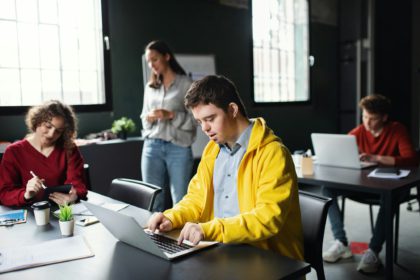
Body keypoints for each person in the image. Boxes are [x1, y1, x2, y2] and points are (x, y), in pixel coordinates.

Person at [147, 75, 303, 261]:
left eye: (210, 118)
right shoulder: (212, 150)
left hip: (268, 259)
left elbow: (267, 218)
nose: (205, 128)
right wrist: (171, 217)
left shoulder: (273, 153)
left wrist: (209, 229)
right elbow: (197, 200)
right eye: (199, 122)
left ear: (232, 109)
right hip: (222, 251)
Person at [322, 94, 419, 273]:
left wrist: (376, 158)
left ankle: (373, 251)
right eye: (364, 117)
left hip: (391, 188)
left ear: (384, 117)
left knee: (389, 196)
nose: (367, 123)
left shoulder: (397, 130)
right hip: (365, 186)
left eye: (372, 119)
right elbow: (342, 148)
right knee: (327, 188)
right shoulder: (359, 131)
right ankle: (341, 242)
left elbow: (411, 159)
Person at [140, 40, 196, 212]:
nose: (151, 65)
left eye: (155, 59)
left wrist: (170, 115)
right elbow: (143, 116)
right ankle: (153, 238)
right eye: (149, 61)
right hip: (152, 146)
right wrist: (149, 118)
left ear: (166, 56)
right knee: (151, 199)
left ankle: (179, 238)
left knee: (180, 199)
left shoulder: (186, 84)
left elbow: (195, 120)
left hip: (178, 147)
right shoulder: (150, 87)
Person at [0, 100, 88, 206]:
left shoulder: (69, 149)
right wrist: (26, 195)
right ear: (37, 121)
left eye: (58, 131)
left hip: (61, 211)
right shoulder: (13, 152)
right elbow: (4, 194)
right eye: (48, 126)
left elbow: (78, 184)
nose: (51, 134)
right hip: (29, 214)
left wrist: (74, 195)